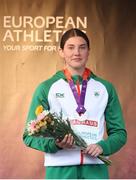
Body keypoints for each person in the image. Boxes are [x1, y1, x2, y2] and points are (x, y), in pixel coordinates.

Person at [23, 28, 127, 179]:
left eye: (82, 47)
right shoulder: (46, 88)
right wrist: (56, 144)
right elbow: (29, 136)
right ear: (61, 51)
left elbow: (120, 133)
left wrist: (103, 147)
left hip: (95, 170)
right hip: (59, 171)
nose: (77, 52)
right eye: (71, 47)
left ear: (88, 51)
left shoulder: (105, 88)